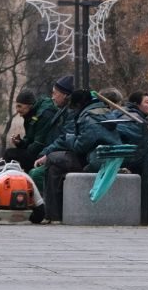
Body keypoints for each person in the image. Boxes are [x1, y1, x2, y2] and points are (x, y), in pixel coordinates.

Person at [34, 77, 100, 223]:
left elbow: (77, 143)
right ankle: (53, 215)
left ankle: (44, 213)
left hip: (87, 158)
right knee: (52, 169)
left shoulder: (80, 114)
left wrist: (47, 153)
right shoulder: (78, 112)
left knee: (42, 169)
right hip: (82, 156)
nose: (52, 97)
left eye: (55, 93)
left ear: (65, 95)